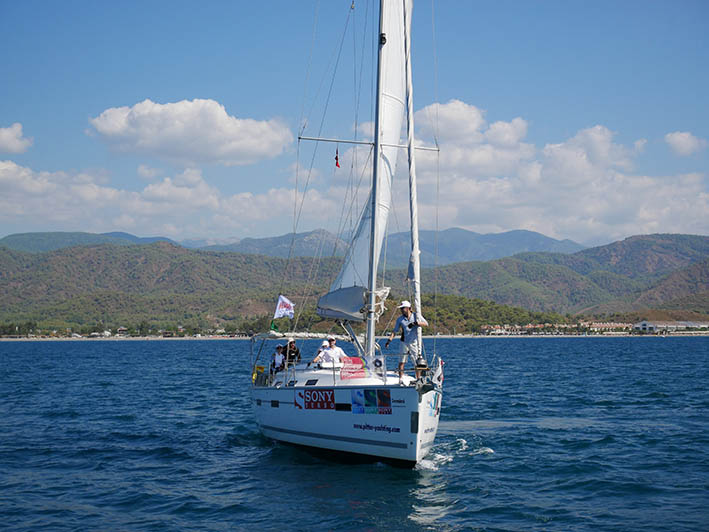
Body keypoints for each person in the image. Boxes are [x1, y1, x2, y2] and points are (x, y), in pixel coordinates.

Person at [384, 300, 428, 382]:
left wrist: (415, 323)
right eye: (401, 308)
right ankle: (401, 378)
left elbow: (426, 323)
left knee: (416, 362)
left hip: (414, 342)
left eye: (403, 308)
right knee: (402, 361)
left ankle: (418, 378)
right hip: (403, 342)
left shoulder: (416, 316)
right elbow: (395, 331)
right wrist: (389, 341)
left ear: (408, 308)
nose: (401, 310)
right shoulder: (400, 319)